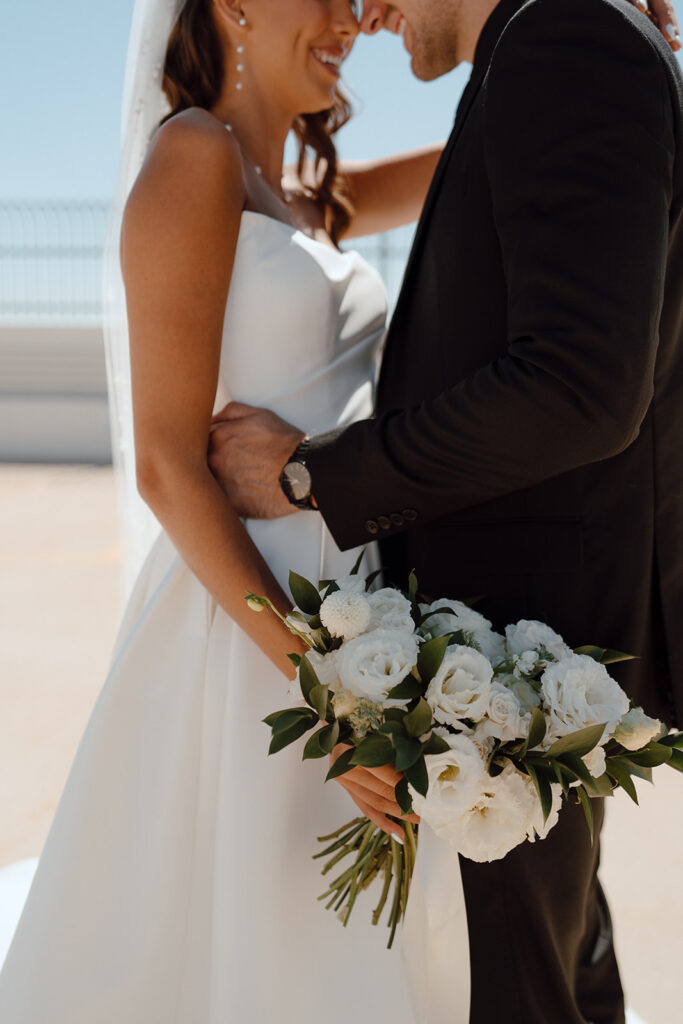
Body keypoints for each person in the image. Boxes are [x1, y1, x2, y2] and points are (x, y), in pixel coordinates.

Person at [207, 0, 683, 1022]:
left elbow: (577, 389)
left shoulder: (563, 38)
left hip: (522, 650)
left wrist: (306, 475)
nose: (363, 10)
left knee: (515, 981)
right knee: (552, 961)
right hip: (518, 649)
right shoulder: (543, 47)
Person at [0, 1, 459, 1021]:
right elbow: (167, 466)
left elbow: (477, 151)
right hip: (255, 637)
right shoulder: (192, 157)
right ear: (234, 6)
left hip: (355, 614)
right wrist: (323, 695)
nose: (350, 19)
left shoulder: (307, 196)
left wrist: (578, 32)